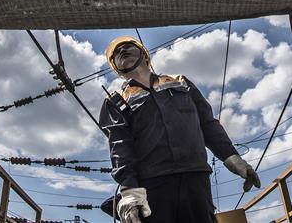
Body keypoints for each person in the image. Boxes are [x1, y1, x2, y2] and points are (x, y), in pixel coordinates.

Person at [99, 36, 260, 223]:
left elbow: (207, 123)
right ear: (117, 69)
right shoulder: (116, 101)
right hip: (153, 186)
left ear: (144, 54)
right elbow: (120, 147)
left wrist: (231, 156)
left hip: (195, 178)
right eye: (116, 54)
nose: (122, 51)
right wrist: (129, 190)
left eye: (127, 47)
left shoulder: (179, 81)